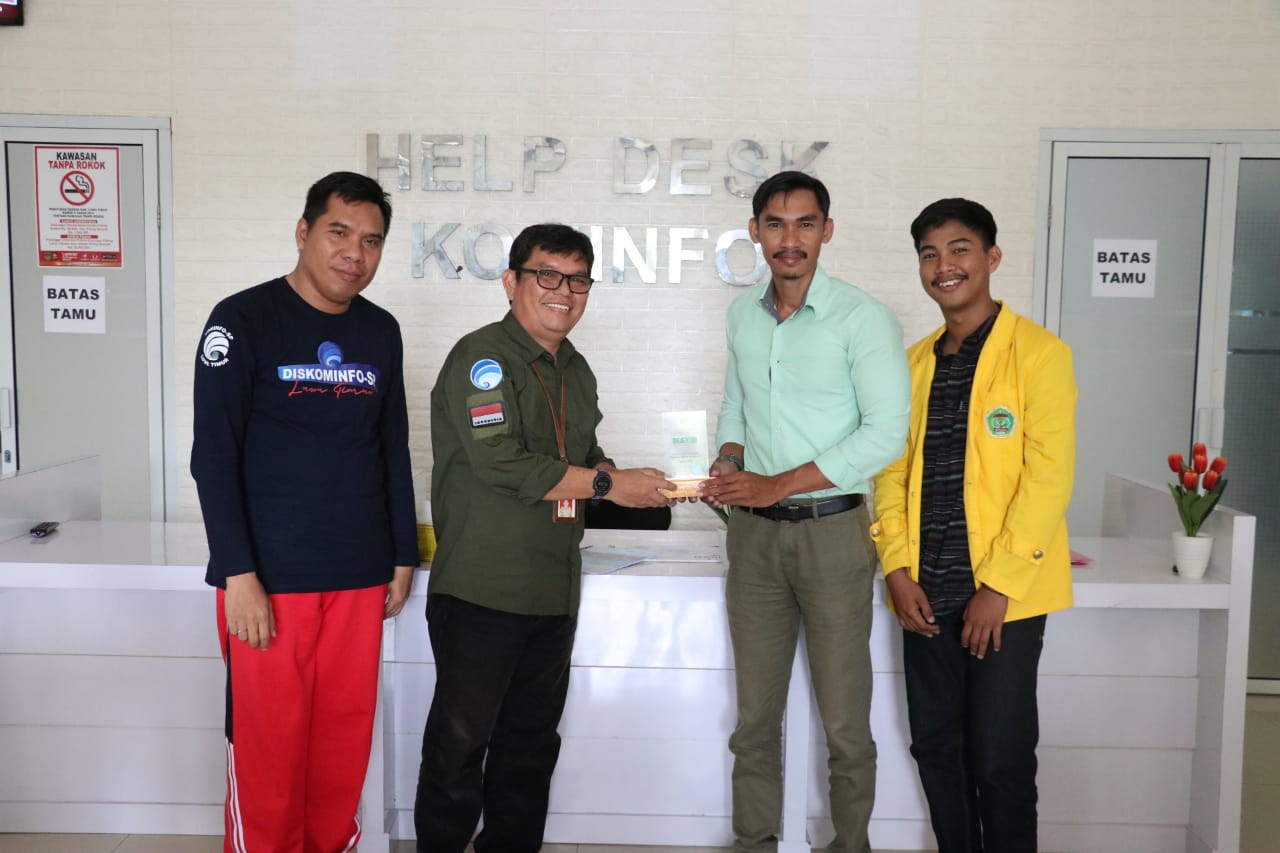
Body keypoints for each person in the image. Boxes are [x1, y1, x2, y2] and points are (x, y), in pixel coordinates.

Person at [414, 223, 675, 853]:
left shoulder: (575, 370)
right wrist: (612, 484)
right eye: (547, 275)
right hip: (482, 591)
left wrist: (648, 487)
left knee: (529, 751)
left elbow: (584, 457)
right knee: (459, 749)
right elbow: (501, 462)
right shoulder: (482, 359)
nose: (564, 290)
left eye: (578, 279)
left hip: (552, 592)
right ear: (512, 281)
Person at [191, 171, 419, 852]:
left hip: (358, 577)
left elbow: (393, 448)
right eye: (339, 232)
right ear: (303, 231)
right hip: (269, 582)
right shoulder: (242, 320)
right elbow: (213, 456)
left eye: (371, 240)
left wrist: (402, 553)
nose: (355, 253)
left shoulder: (380, 330)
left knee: (341, 752)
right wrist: (238, 573)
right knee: (270, 755)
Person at [700, 171, 912, 853]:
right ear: (755, 231)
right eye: (775, 223)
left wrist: (778, 484)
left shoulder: (863, 318)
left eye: (805, 223)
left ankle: (850, 844)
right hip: (754, 543)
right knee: (754, 721)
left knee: (845, 723)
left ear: (827, 230)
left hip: (833, 536)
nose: (789, 238)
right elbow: (736, 405)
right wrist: (729, 459)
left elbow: (886, 435)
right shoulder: (742, 316)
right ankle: (753, 841)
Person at [870, 198, 1076, 853]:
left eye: (958, 249)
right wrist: (896, 568)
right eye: (929, 254)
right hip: (925, 595)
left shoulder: (1039, 355)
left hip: (1004, 601)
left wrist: (1000, 585)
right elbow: (890, 474)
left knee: (1000, 760)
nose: (943, 265)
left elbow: (1048, 480)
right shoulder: (911, 364)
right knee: (937, 750)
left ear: (991, 257)